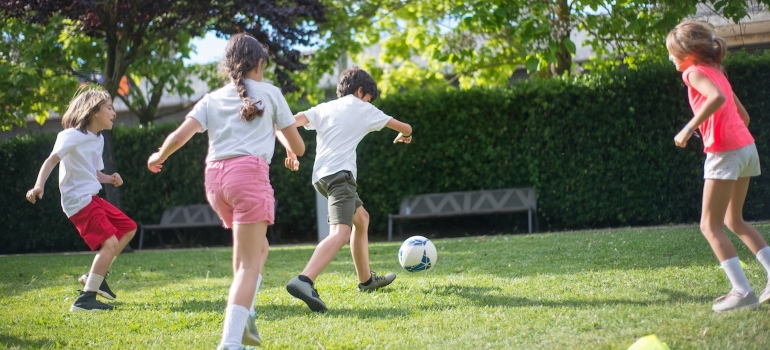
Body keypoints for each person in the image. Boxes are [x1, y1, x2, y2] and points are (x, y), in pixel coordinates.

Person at [147, 33, 304, 349]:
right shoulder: (271, 93)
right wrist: (288, 144)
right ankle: (231, 342)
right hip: (248, 179)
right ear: (259, 63)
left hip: (215, 182)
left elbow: (180, 136)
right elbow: (298, 146)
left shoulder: (212, 98)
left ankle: (245, 313)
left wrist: (159, 156)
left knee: (256, 250)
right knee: (249, 263)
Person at [283, 66, 412, 313]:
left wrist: (291, 150)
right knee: (341, 233)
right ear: (361, 91)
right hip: (340, 177)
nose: (368, 103)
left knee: (361, 219)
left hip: (321, 178)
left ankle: (366, 281)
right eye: (368, 98)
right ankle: (304, 280)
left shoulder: (324, 107)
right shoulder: (363, 107)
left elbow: (290, 123)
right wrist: (404, 136)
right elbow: (406, 127)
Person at [667, 20, 770, 312]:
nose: (671, 58)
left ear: (688, 52)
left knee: (709, 225)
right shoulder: (717, 73)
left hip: (726, 152)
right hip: (746, 148)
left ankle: (742, 291)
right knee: (734, 221)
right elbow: (745, 117)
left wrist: (689, 128)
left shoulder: (693, 72)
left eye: (673, 52)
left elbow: (716, 99)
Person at [25, 87, 137, 312]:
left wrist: (109, 178)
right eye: (109, 108)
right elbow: (51, 160)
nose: (114, 112)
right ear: (94, 111)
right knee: (110, 243)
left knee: (128, 228)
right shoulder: (70, 136)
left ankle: (95, 276)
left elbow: (94, 173)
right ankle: (85, 300)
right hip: (78, 200)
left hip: (91, 196)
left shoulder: (99, 139)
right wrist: (38, 186)